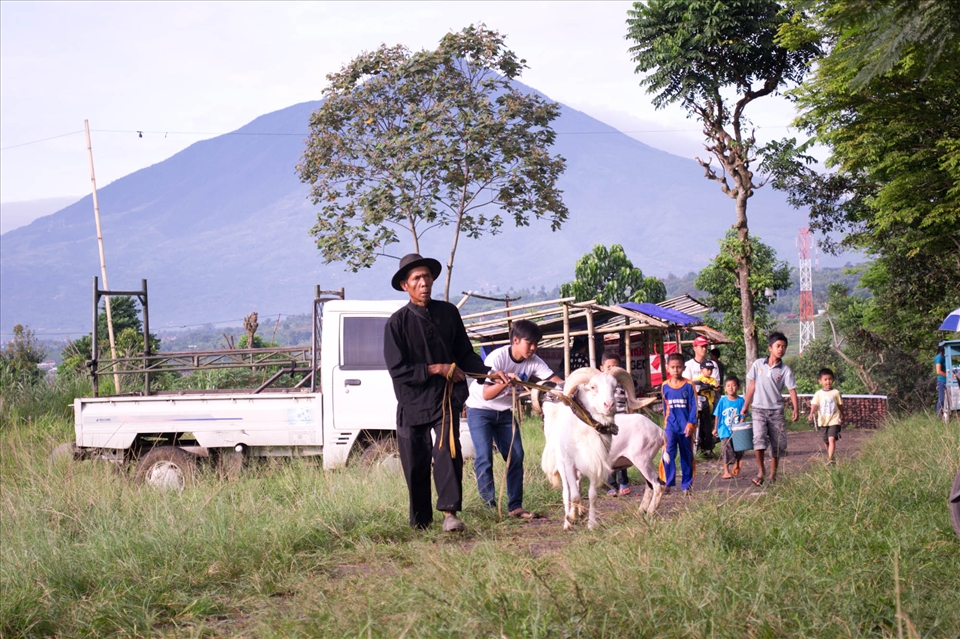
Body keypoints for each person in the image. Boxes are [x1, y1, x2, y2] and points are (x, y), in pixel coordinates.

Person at [384, 253, 507, 532]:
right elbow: (398, 369)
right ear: (405, 285)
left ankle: (450, 514)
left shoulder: (448, 313)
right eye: (416, 278)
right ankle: (420, 522)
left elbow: (464, 353)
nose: (424, 282)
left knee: (448, 454)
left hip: (445, 399)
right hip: (411, 402)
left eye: (427, 276)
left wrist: (488, 372)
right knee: (414, 463)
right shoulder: (396, 323)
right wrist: (436, 368)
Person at [465, 319, 561, 518]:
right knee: (484, 457)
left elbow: (555, 381)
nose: (533, 348)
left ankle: (515, 506)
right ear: (515, 340)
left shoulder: (533, 360)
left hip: (504, 413)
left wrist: (575, 386)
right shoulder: (497, 358)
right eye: (529, 343)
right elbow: (487, 394)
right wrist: (506, 382)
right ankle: (489, 508)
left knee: (516, 456)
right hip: (480, 409)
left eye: (536, 344)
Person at [741, 332, 799, 486]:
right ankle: (761, 471)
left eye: (784, 347)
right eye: (778, 346)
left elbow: (792, 389)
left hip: (776, 411)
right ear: (770, 348)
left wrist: (795, 409)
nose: (781, 349)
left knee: (777, 444)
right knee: (758, 440)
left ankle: (773, 474)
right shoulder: (758, 364)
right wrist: (745, 406)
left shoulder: (785, 370)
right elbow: (752, 386)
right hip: (758, 409)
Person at [661, 352, 698, 493]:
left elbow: (694, 406)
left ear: (683, 367)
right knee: (668, 453)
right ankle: (668, 482)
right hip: (670, 427)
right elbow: (665, 407)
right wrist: (665, 426)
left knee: (686, 455)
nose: (676, 370)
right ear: (668, 368)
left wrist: (691, 424)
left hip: (685, 427)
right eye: (673, 367)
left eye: (678, 367)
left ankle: (686, 485)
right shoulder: (665, 386)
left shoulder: (689, 385)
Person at [599, 350, 632, 496]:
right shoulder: (598, 387)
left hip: (622, 422)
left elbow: (630, 402)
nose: (612, 370)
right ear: (601, 368)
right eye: (608, 367)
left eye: (615, 366)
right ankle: (610, 484)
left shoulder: (623, 384)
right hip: (606, 424)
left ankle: (624, 481)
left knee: (623, 452)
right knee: (607, 453)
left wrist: (631, 416)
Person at [809, 368, 844, 464]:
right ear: (820, 381)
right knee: (826, 441)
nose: (828, 381)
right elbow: (815, 404)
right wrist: (811, 413)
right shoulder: (818, 394)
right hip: (823, 421)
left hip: (834, 420)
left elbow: (840, 405)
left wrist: (843, 414)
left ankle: (829, 459)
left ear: (833, 380)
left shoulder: (836, 392)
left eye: (830, 379)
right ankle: (831, 457)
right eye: (825, 379)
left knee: (831, 438)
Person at [713, 375, 745, 478]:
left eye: (733, 385)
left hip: (737, 431)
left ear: (738, 387)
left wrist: (741, 424)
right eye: (728, 386)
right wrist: (715, 428)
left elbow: (743, 415)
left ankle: (738, 462)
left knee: (739, 449)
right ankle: (726, 471)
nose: (731, 388)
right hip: (724, 429)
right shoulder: (722, 401)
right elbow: (717, 415)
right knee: (725, 449)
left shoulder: (741, 401)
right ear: (725, 388)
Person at [936, 344, 947, 416]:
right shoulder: (939, 357)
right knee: (942, 400)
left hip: (947, 381)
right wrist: (949, 376)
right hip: (942, 381)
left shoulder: (945, 357)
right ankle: (940, 416)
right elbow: (938, 371)